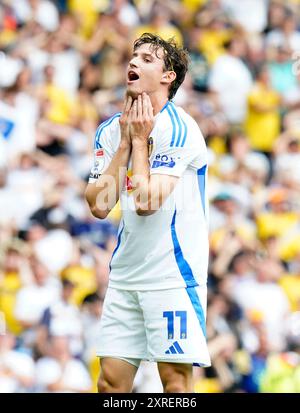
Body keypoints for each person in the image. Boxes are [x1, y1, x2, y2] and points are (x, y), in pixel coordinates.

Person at [85, 32, 211, 393]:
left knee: (175, 387)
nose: (133, 62)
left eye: (147, 59)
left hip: (172, 275)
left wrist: (140, 141)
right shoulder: (110, 131)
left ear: (168, 76)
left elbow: (146, 202)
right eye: (133, 56)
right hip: (126, 274)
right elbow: (98, 204)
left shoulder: (181, 128)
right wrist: (125, 143)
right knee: (110, 385)